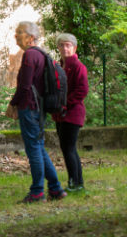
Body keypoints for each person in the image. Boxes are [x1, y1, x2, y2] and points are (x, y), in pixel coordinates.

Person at [5, 21, 67, 203]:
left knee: (34, 149)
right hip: (38, 108)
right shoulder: (41, 54)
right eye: (16, 32)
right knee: (38, 147)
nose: (16, 36)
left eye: (20, 32)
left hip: (30, 108)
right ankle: (55, 189)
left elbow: (25, 85)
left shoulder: (30, 56)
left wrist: (13, 104)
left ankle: (38, 192)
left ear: (31, 37)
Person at [52, 33, 89, 192]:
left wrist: (65, 104)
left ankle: (75, 183)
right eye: (62, 45)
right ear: (58, 48)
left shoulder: (79, 67)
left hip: (72, 113)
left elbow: (82, 90)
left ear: (74, 48)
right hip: (60, 114)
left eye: (68, 45)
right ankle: (77, 182)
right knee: (68, 148)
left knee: (68, 148)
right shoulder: (59, 66)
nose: (65, 48)